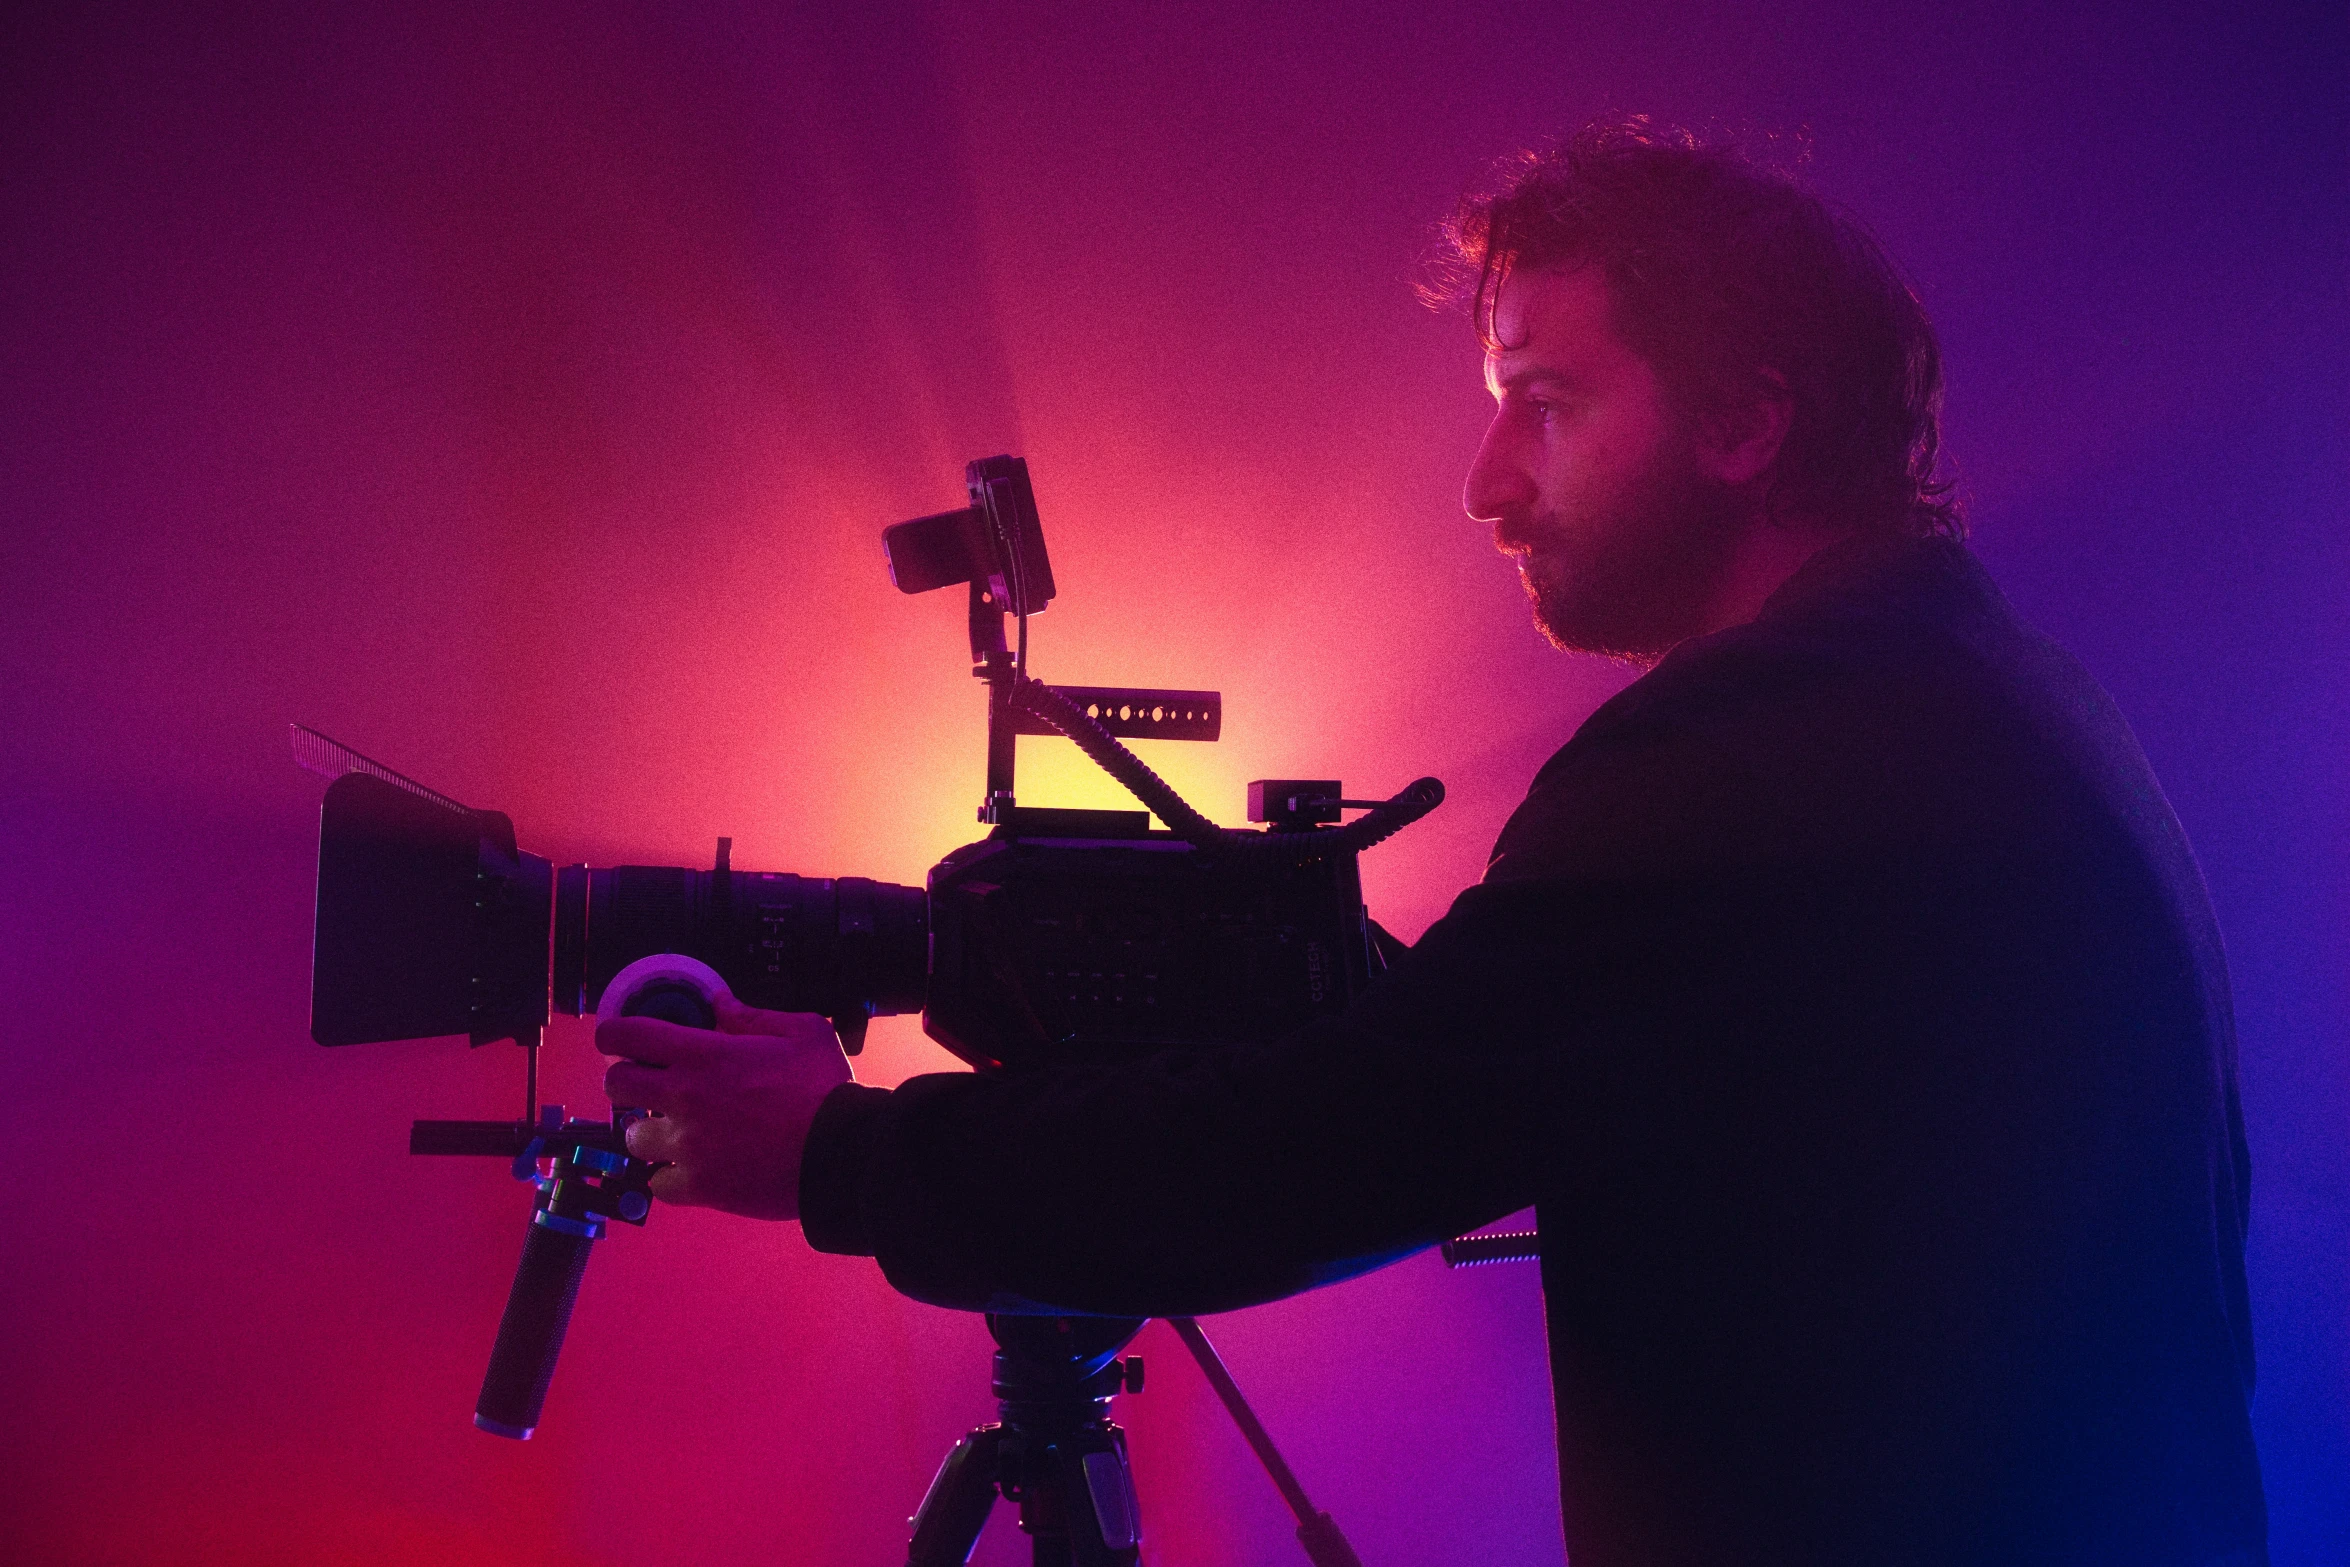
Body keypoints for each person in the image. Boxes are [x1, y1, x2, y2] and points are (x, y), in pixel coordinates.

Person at [597, 121, 2267, 1565]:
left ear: (1746, 422)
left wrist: (832, 1153)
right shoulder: (2007, 698)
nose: (1484, 483)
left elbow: (1310, 1152)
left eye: (1543, 404)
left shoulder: (1748, 757)